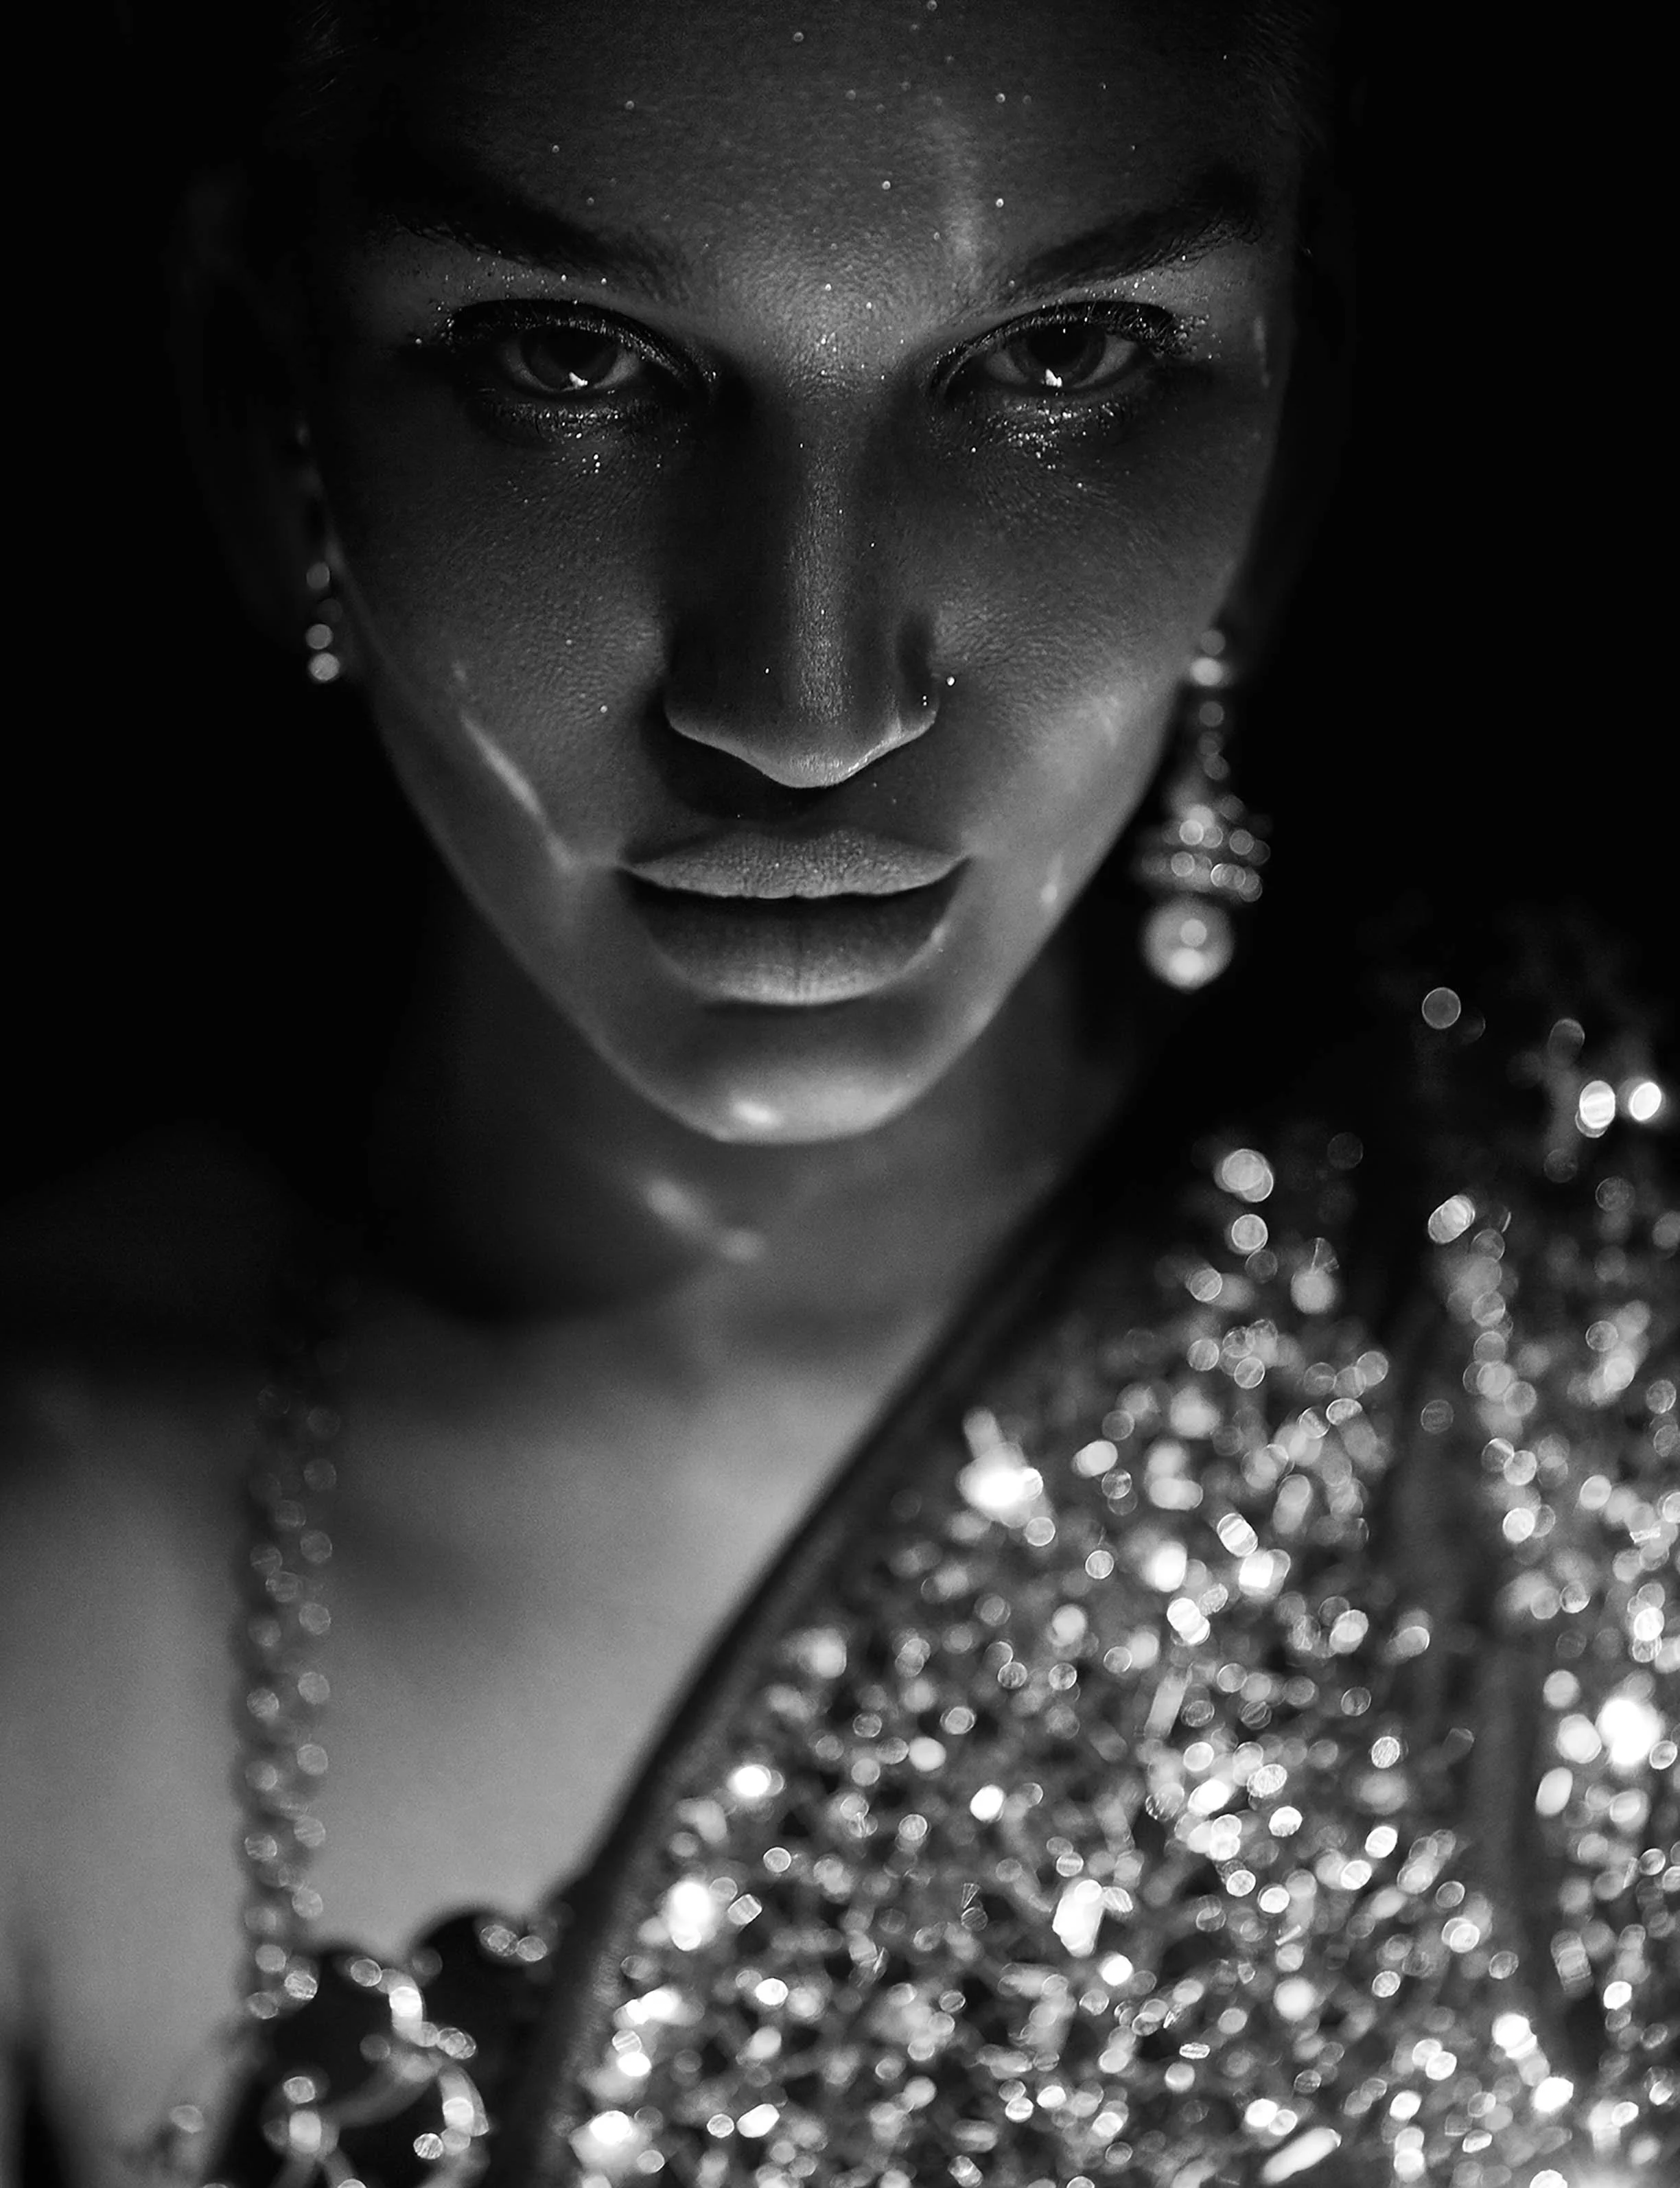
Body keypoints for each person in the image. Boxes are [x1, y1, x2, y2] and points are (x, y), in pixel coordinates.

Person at [1, 2, 1673, 2185]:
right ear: (267, 398)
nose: (806, 703)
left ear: (1298, 417)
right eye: (570, 361)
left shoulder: (1586, 1334)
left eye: (1061, 362)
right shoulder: (50, 1566)